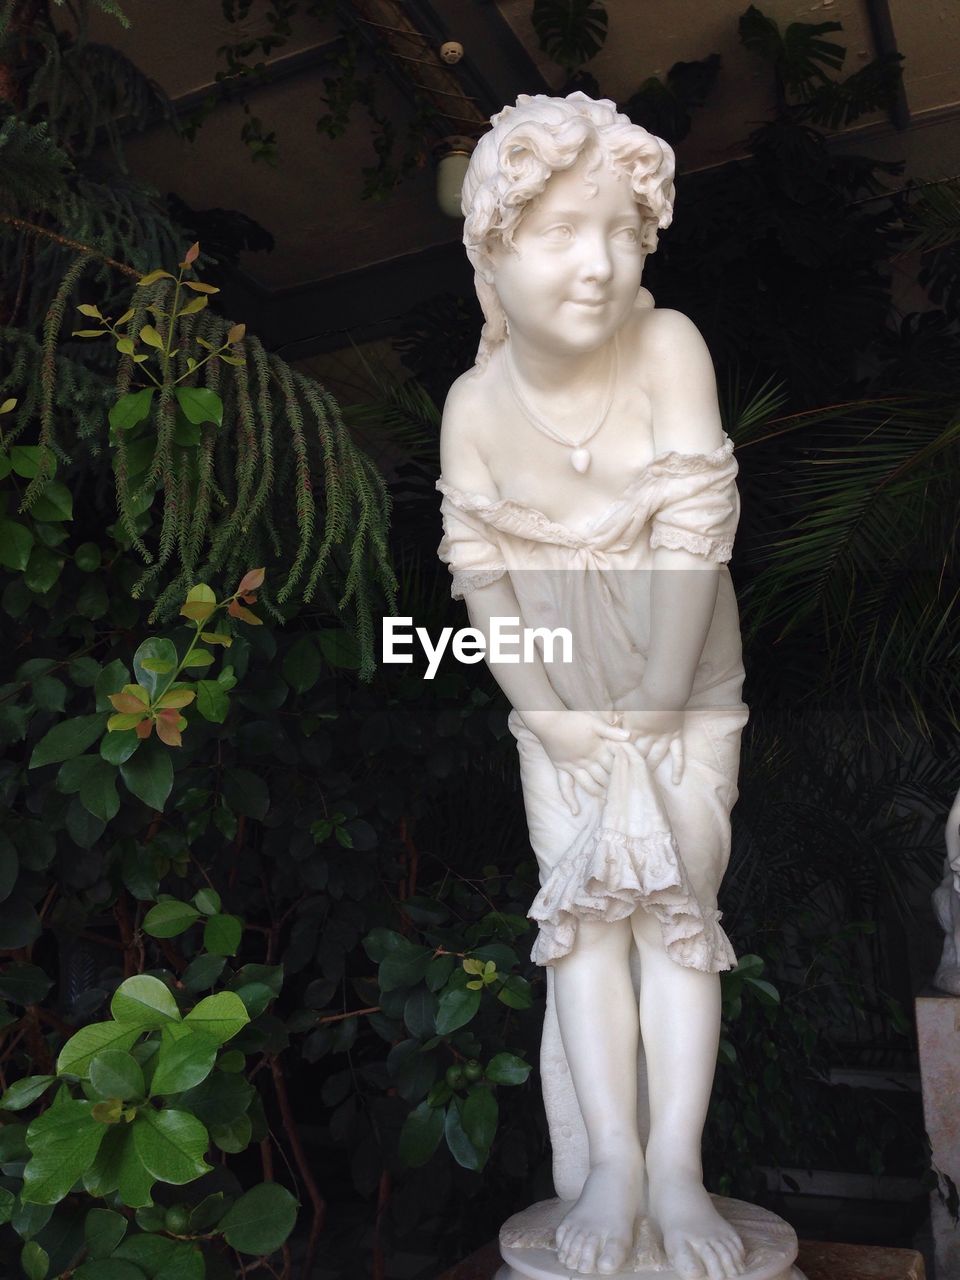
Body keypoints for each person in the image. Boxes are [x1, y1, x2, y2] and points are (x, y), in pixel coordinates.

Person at [437, 93, 749, 1279]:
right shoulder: (475, 408)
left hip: (686, 687)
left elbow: (694, 538)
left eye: (622, 231)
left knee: (678, 924)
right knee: (580, 933)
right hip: (555, 707)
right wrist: (560, 723)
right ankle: (612, 1159)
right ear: (493, 249)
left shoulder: (669, 349)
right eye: (563, 231)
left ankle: (676, 1165)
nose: (600, 264)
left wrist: (656, 712)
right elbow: (484, 590)